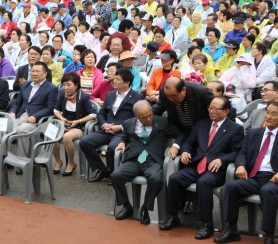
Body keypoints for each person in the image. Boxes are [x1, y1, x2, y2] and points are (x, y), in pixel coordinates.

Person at [161, 96, 244, 239]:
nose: (211, 111)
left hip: (216, 169)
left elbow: (237, 151)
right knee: (174, 178)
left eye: (215, 109)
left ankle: (206, 224)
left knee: (204, 182)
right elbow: (189, 142)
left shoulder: (235, 128)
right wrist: (186, 150)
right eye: (210, 108)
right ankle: (173, 216)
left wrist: (222, 160)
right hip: (197, 166)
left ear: (225, 111)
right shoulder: (202, 124)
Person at [216, 102, 278, 244]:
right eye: (267, 112)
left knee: (268, 191)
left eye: (273, 114)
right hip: (254, 176)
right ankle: (232, 230)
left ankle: (268, 235)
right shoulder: (253, 134)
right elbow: (242, 153)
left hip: (273, 179)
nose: (267, 116)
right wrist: (240, 166)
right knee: (231, 187)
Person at [112, 100, 182, 225]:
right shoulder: (128, 123)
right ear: (136, 116)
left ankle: (145, 208)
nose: (149, 119)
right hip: (134, 160)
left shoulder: (162, 122)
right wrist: (122, 143)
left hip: (153, 160)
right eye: (144, 117)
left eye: (150, 114)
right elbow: (126, 137)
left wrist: (175, 146)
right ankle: (127, 206)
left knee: (155, 179)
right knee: (116, 175)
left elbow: (180, 134)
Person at [80, 68, 144, 183]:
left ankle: (113, 173)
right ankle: (103, 169)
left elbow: (138, 118)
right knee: (85, 142)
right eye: (114, 79)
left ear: (127, 83)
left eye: (118, 79)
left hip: (122, 132)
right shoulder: (110, 95)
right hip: (106, 129)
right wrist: (104, 125)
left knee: (112, 148)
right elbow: (101, 113)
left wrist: (121, 127)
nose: (114, 81)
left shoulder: (137, 97)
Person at [9, 61, 58, 171]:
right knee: (4, 127)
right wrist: (12, 112)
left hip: (37, 120)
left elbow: (50, 108)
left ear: (45, 73)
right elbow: (17, 102)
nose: (34, 73)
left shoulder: (51, 88)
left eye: (37, 71)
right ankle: (6, 158)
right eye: (33, 71)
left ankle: (21, 162)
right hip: (21, 115)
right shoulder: (26, 85)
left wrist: (35, 116)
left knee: (21, 130)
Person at [52, 72, 96, 175]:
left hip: (78, 126)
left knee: (67, 137)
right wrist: (62, 118)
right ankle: (58, 161)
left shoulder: (84, 97)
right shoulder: (62, 95)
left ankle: (71, 163)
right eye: (64, 84)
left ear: (76, 85)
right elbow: (55, 110)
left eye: (68, 85)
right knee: (51, 133)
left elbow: (93, 114)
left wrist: (78, 121)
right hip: (65, 123)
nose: (65, 88)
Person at [152, 77, 213, 149]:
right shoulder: (165, 92)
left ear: (183, 90)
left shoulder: (201, 92)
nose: (171, 99)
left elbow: (221, 109)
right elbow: (158, 110)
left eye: (174, 96)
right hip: (181, 130)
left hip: (202, 131)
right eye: (168, 96)